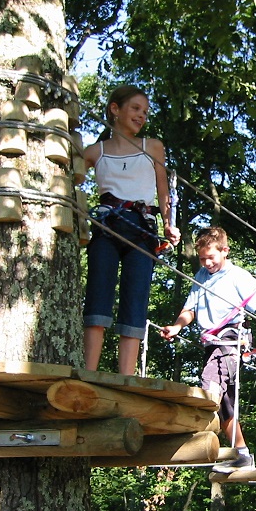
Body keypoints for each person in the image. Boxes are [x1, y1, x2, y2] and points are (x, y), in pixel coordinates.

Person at [160, 227, 256, 471]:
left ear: (225, 251)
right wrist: (177, 327)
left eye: (211, 257)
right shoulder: (201, 276)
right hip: (211, 342)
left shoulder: (237, 276)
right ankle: (242, 454)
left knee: (210, 386)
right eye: (202, 258)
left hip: (231, 339)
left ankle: (193, 433)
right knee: (225, 403)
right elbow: (189, 310)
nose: (207, 263)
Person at [83, 85, 181, 375]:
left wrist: (168, 223)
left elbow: (164, 189)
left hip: (142, 228)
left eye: (145, 112)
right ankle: (90, 372)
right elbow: (70, 176)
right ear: (115, 109)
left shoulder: (152, 146)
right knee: (98, 294)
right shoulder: (93, 151)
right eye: (136, 109)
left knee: (135, 298)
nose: (142, 116)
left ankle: (125, 377)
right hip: (107, 225)